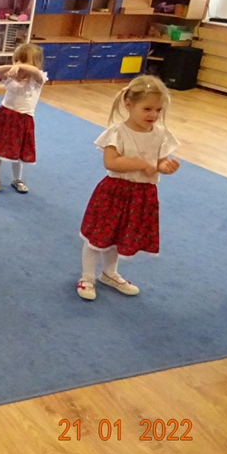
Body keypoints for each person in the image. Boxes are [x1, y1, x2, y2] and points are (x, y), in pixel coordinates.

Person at [77, 75, 180, 301]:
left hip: (142, 195)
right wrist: (142, 164)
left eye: (158, 110)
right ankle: (87, 277)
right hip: (115, 192)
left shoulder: (160, 134)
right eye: (147, 109)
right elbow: (111, 162)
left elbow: (160, 161)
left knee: (119, 236)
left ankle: (109, 273)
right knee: (98, 237)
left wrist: (165, 167)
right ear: (129, 105)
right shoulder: (118, 132)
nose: (153, 115)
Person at [0, 43, 47, 194]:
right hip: (5, 117)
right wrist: (14, 67)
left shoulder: (37, 80)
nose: (19, 64)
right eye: (16, 60)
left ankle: (17, 179)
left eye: (24, 61)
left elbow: (35, 72)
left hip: (23, 120)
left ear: (36, 64)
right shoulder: (11, 77)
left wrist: (21, 66)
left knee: (18, 153)